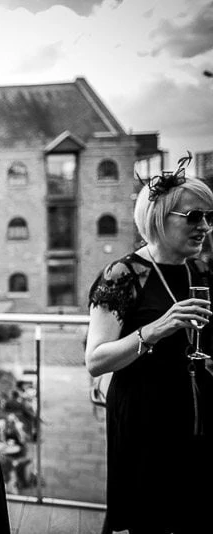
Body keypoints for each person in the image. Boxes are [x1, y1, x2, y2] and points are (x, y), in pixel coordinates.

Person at [86, 156, 213, 534]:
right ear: (159, 217)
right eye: (193, 217)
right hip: (144, 414)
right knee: (151, 516)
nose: (204, 226)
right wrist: (158, 328)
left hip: (197, 409)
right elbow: (95, 360)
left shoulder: (202, 269)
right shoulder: (123, 274)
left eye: (208, 216)